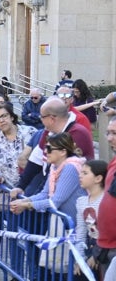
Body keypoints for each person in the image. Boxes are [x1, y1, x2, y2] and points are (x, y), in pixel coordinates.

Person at [9, 132, 86, 278]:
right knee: (57, 268)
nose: (45, 152)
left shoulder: (70, 168)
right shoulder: (55, 166)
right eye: (45, 148)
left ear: (63, 152)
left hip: (74, 226)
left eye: (50, 149)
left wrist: (27, 205)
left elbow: (56, 200)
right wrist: (24, 201)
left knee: (67, 269)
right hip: (61, 224)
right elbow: (45, 194)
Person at [0, 103, 36, 187]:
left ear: (12, 117)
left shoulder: (30, 132)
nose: (1, 120)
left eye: (4, 116)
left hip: (31, 188)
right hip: (7, 191)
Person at [74, 159, 107, 281]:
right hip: (89, 245)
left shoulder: (106, 201)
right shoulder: (81, 202)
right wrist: (80, 258)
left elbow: (107, 230)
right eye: (81, 172)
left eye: (85, 173)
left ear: (98, 178)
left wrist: (96, 255)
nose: (80, 175)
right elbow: (81, 230)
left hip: (105, 248)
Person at [97, 117, 116, 279]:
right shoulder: (114, 162)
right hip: (106, 246)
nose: (109, 138)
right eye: (108, 133)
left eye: (115, 133)